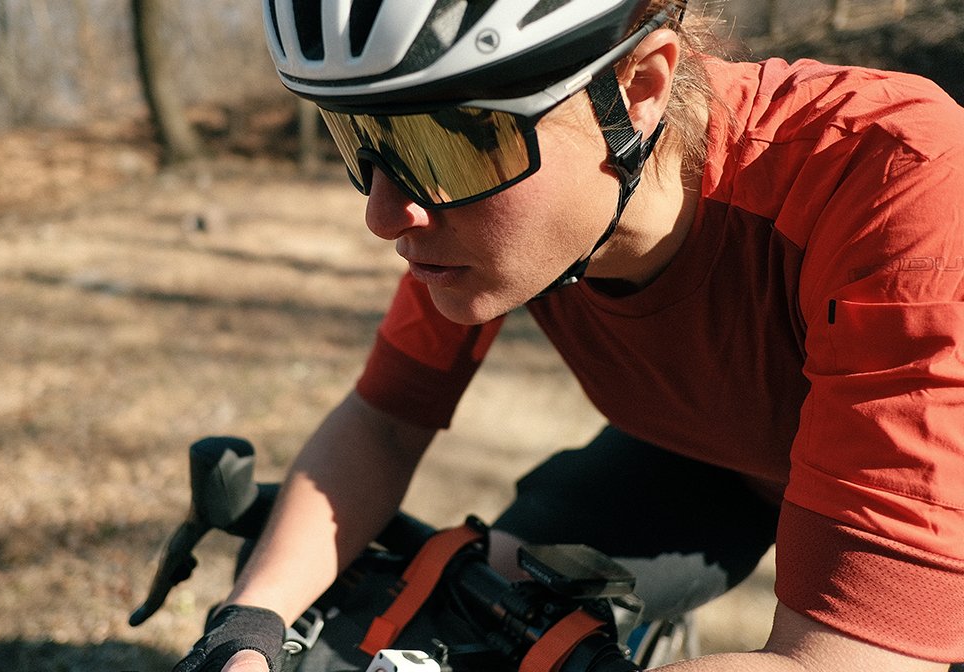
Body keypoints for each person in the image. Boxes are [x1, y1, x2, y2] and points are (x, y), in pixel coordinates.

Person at [172, 1, 964, 670]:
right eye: (363, 146)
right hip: (708, 456)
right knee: (488, 603)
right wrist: (249, 626)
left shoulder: (895, 178)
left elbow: (836, 659)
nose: (384, 217)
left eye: (443, 144)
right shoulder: (498, 226)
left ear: (641, 86)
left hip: (941, 502)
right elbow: (386, 420)